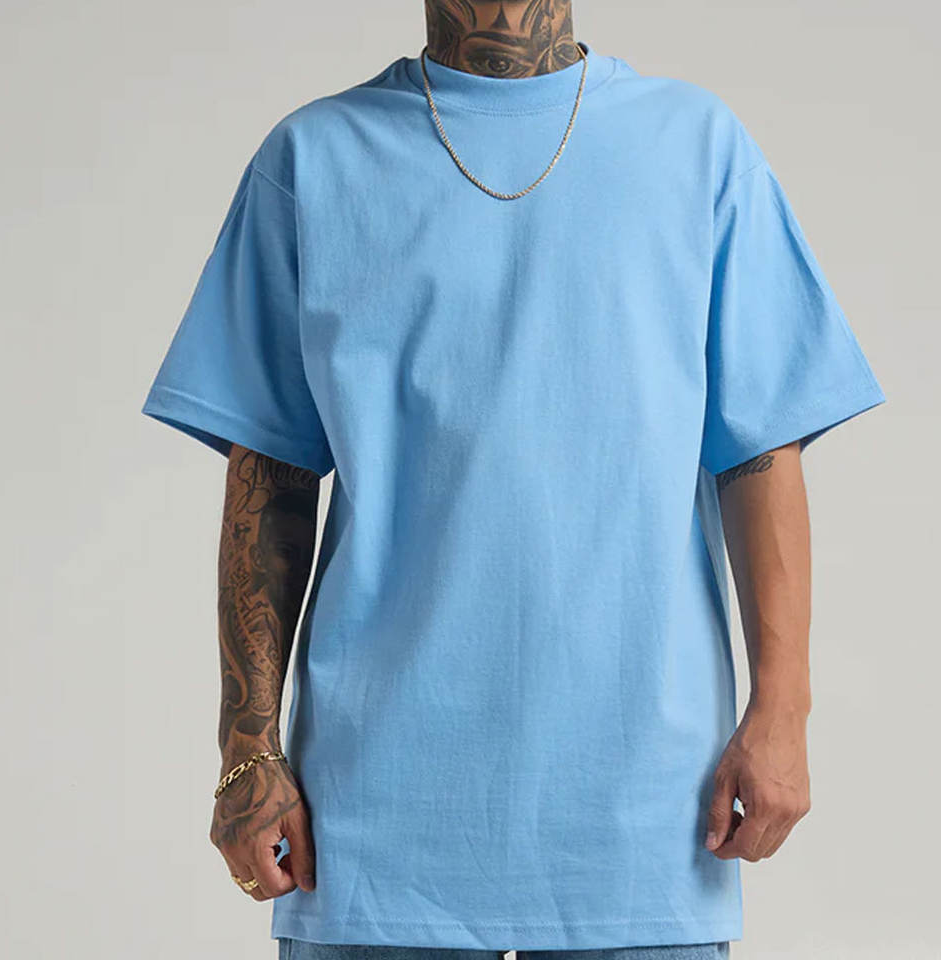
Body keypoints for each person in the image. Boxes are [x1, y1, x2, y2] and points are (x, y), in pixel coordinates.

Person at [141, 3, 886, 958]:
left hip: (647, 821)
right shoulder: (313, 159)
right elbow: (270, 478)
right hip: (371, 829)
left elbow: (759, 452)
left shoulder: (697, 147)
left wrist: (783, 713)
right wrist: (245, 751)